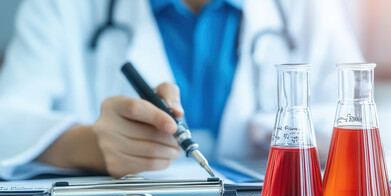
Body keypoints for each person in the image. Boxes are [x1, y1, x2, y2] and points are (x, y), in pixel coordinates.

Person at [0, 0, 362, 180]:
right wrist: (92, 144)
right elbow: (7, 122)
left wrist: (290, 130)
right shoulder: (63, 7)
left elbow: (356, 109)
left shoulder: (305, 8)